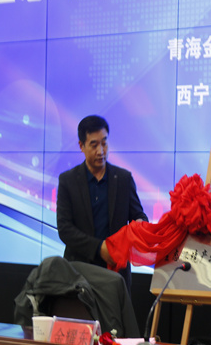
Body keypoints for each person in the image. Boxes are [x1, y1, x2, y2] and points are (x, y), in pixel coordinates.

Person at [56, 115, 148, 293]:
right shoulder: (68, 181)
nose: (101, 151)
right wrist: (99, 248)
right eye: (94, 145)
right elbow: (65, 229)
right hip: (79, 273)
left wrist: (140, 225)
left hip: (116, 274)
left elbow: (138, 215)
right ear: (81, 146)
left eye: (104, 143)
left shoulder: (123, 179)